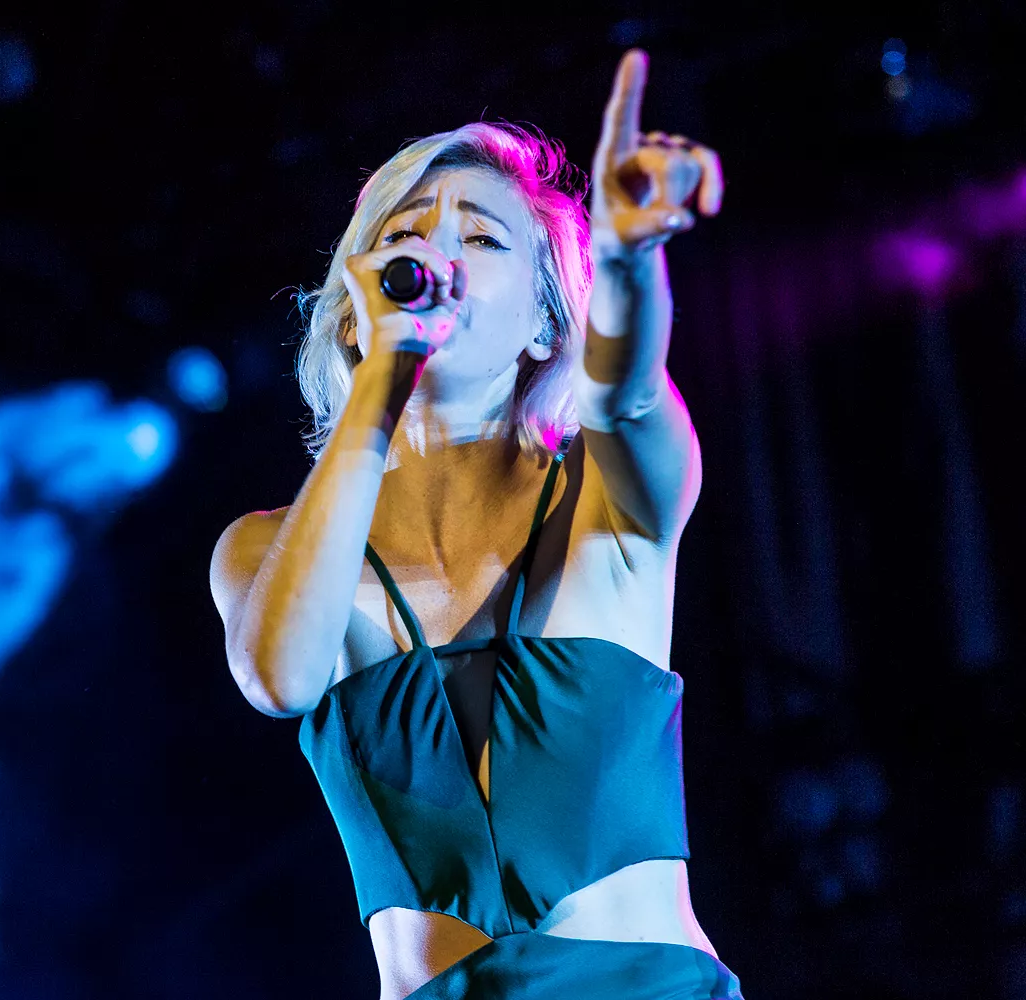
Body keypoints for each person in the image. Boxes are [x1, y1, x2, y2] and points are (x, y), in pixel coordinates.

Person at [209, 49, 742, 1000]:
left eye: (485, 239)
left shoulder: (605, 496)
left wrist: (627, 260)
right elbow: (280, 678)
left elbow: (626, 394)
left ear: (546, 324)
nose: (440, 256)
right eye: (407, 235)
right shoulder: (267, 548)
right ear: (354, 312)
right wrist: (386, 373)